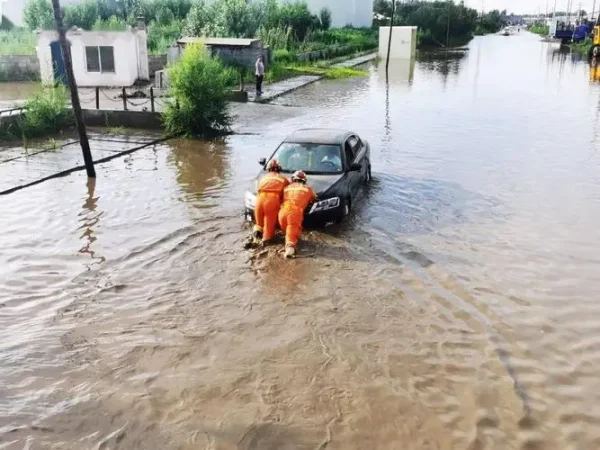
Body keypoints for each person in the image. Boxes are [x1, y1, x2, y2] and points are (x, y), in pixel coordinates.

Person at [278, 170, 317, 259]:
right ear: (304, 180)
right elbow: (315, 198)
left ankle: (286, 245)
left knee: (287, 232)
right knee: (292, 236)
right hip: (294, 213)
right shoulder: (308, 188)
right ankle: (289, 252)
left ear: (293, 179)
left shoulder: (286, 188)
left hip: (282, 212)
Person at [253, 159, 289, 245]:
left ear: (268, 169)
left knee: (259, 223)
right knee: (269, 227)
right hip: (271, 201)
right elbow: (287, 193)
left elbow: (257, 190)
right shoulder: (283, 179)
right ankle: (266, 242)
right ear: (279, 169)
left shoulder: (262, 178)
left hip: (259, 200)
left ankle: (255, 237)